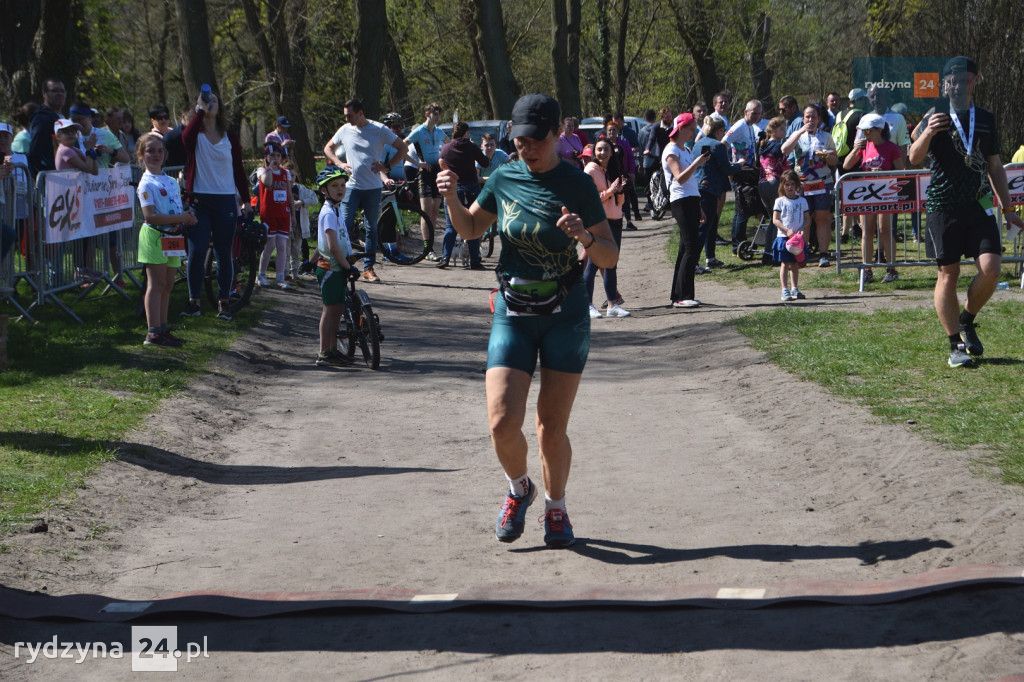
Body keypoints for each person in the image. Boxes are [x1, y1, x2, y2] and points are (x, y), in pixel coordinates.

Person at [435, 93, 617, 549]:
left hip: (565, 315)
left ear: (556, 134)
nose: (526, 147)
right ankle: (519, 489)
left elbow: (609, 255)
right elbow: (470, 229)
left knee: (550, 428)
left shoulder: (576, 183)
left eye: (535, 139)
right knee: (501, 421)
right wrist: (451, 198)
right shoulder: (503, 177)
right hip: (513, 311)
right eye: (519, 140)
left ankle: (556, 508)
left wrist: (584, 236)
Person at [907, 56, 1024, 368]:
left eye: (965, 79)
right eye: (953, 80)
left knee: (992, 268)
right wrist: (927, 133)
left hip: (978, 204)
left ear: (974, 82)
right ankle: (955, 345)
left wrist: (1008, 209)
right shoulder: (934, 114)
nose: (958, 85)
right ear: (945, 84)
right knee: (949, 273)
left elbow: (995, 166)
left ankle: (967, 319)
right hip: (943, 206)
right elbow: (914, 157)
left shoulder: (984, 118)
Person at [181, 88, 251, 320]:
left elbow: (238, 169)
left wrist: (246, 200)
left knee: (223, 251)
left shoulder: (229, 136)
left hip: (225, 201)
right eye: (206, 100)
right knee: (198, 250)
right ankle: (194, 302)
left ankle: (224, 302)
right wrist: (200, 112)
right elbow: (185, 139)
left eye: (214, 100)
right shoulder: (195, 132)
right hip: (200, 200)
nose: (211, 103)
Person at [324, 98, 409, 282]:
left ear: (361, 113)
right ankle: (341, 264)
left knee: (371, 228)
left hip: (373, 188)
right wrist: (340, 164)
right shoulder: (345, 130)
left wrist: (387, 166)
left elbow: (403, 148)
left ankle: (368, 268)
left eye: (350, 115)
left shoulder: (379, 129)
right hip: (351, 187)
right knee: (343, 226)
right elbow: (328, 148)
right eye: (345, 116)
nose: (347, 119)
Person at [135, 133, 197, 347]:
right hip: (154, 236)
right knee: (157, 284)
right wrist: (181, 218)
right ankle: (153, 332)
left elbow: (175, 207)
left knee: (168, 284)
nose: (156, 155)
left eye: (160, 151)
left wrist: (187, 216)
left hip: (173, 236)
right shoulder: (145, 184)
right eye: (150, 151)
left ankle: (163, 327)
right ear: (141, 155)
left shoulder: (171, 181)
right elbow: (150, 216)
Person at [843, 113, 905, 283]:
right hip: (867, 195)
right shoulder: (863, 146)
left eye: (868, 130)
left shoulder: (892, 148)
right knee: (867, 231)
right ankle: (867, 269)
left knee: (885, 230)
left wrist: (885, 173)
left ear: (878, 130)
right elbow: (846, 165)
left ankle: (891, 269)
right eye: (863, 130)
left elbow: (902, 171)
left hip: (886, 194)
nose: (865, 133)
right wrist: (855, 149)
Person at [662, 112, 710, 308]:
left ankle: (681, 294)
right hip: (680, 201)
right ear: (681, 128)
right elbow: (680, 177)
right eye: (691, 129)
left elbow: (690, 182)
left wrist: (699, 207)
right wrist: (697, 162)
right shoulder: (671, 150)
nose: (693, 132)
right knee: (691, 247)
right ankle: (682, 296)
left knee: (686, 248)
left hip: (691, 199)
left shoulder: (685, 149)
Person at [782, 104, 838, 267]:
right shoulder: (797, 135)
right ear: (803, 118)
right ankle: (802, 253)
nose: (810, 120)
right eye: (807, 116)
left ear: (819, 119)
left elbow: (835, 161)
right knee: (803, 219)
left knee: (822, 218)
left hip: (822, 182)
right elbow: (784, 150)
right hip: (802, 183)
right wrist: (800, 131)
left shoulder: (826, 136)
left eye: (814, 117)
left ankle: (823, 254)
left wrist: (827, 156)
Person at [312, 166, 356, 368]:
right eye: (334, 186)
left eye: (342, 185)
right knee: (329, 311)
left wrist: (310, 260)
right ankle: (324, 352)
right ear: (324, 190)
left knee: (337, 310)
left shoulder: (335, 209)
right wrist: (347, 266)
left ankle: (332, 350)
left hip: (336, 267)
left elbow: (321, 242)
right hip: (331, 268)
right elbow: (332, 246)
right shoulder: (329, 213)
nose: (340, 189)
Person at [583, 138, 628, 318]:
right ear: (594, 151)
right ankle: (587, 305)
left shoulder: (612, 169)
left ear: (611, 152)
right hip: (599, 222)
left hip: (615, 219)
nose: (603, 153)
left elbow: (619, 202)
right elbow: (590, 198)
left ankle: (612, 305)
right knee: (594, 263)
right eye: (599, 149)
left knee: (611, 263)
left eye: (606, 149)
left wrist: (620, 190)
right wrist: (610, 191)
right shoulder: (590, 170)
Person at [436, 121, 488, 269]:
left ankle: (445, 258)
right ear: (466, 133)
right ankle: (475, 261)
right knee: (473, 224)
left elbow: (440, 161)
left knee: (450, 226)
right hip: (472, 188)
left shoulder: (446, 148)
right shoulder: (471, 146)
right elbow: (485, 163)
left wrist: (447, 170)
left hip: (453, 189)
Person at [692, 115, 740, 269]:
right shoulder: (718, 146)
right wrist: (740, 164)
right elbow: (727, 169)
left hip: (698, 187)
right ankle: (694, 262)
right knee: (705, 226)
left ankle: (710, 258)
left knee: (710, 224)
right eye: (723, 131)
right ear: (719, 131)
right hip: (710, 189)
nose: (724, 134)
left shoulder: (697, 144)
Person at [402, 103, 446, 261]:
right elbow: (402, 147)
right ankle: (427, 248)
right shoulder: (419, 131)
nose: (437, 117)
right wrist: (417, 163)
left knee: (435, 211)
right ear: (427, 114)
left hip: (437, 172)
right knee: (425, 211)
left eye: (439, 114)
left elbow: (449, 145)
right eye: (435, 113)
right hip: (424, 173)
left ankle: (430, 245)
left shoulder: (439, 131)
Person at [723, 99, 765, 251]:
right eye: (754, 113)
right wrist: (729, 165)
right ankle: (738, 243)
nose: (756, 116)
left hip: (749, 171)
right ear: (746, 112)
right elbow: (723, 143)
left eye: (759, 113)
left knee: (742, 208)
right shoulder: (739, 125)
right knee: (743, 208)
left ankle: (739, 241)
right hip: (740, 172)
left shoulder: (751, 126)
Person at [256, 142, 294, 289]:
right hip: (269, 214)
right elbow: (268, 182)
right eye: (272, 155)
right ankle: (261, 275)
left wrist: (293, 215)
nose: (275, 158)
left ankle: (280, 278)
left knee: (282, 246)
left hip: (283, 214)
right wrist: (270, 168)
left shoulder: (286, 173)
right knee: (269, 245)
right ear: (266, 157)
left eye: (278, 156)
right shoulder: (262, 171)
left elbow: (289, 194)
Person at [772, 170, 811, 301]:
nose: (789, 187)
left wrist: (803, 229)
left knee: (795, 264)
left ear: (797, 185)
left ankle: (794, 288)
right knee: (785, 263)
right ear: (782, 186)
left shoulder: (802, 201)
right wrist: (786, 230)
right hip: (783, 237)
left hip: (797, 239)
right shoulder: (779, 201)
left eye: (792, 184)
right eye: (787, 184)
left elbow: (807, 219)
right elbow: (775, 219)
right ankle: (784, 290)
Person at [604, 121, 639, 231]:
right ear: (606, 132)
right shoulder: (604, 144)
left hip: (622, 174)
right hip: (608, 176)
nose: (612, 132)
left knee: (625, 198)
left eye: (614, 130)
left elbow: (630, 158)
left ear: (618, 131)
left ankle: (628, 221)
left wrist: (632, 172)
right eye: (609, 130)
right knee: (610, 198)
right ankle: (610, 222)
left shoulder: (623, 143)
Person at [27, 78, 67, 176]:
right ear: (44, 94)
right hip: (52, 177)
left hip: (67, 175)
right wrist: (43, 177)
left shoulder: (61, 117)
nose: (59, 94)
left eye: (62, 91)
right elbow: (34, 153)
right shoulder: (42, 118)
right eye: (54, 91)